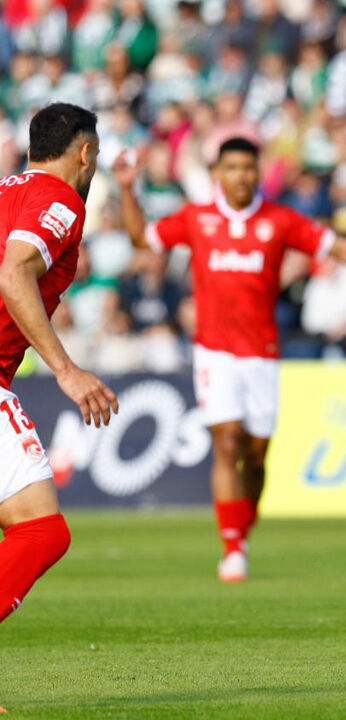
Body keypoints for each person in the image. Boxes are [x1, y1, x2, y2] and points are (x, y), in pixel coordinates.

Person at [113, 138, 346, 583]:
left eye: (248, 167)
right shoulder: (197, 218)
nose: (240, 175)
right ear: (218, 172)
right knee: (226, 442)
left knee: (257, 455)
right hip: (214, 351)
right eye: (231, 167)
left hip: (261, 354)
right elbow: (140, 237)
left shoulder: (279, 220)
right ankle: (232, 546)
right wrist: (127, 187)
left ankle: (243, 529)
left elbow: (337, 248)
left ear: (257, 172)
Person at [0, 103, 117, 624]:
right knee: (41, 529)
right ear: (85, 153)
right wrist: (67, 370)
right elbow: (14, 273)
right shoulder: (60, 199)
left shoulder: (7, 192)